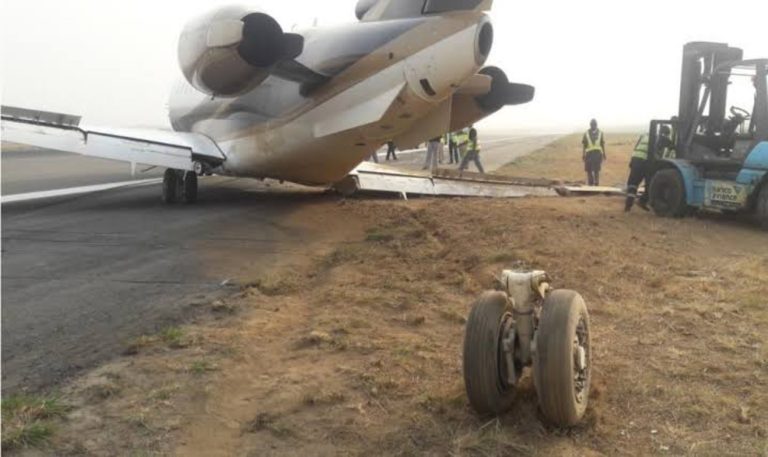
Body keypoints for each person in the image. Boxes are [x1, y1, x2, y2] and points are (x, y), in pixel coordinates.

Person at [625, 133, 650, 212]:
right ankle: (642, 201)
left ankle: (628, 206)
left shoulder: (643, 136)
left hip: (636, 159)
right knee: (650, 183)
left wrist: (632, 160)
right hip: (645, 162)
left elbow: (636, 148)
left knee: (632, 183)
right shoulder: (656, 137)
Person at [582, 119, 606, 185]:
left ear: (596, 125)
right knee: (588, 170)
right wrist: (583, 154)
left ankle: (596, 183)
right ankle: (590, 183)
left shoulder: (600, 133)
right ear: (590, 125)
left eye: (594, 125)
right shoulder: (586, 133)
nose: (593, 126)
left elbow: (602, 144)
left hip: (597, 154)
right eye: (592, 125)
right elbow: (584, 145)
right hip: (589, 154)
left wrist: (604, 154)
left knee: (596, 170)